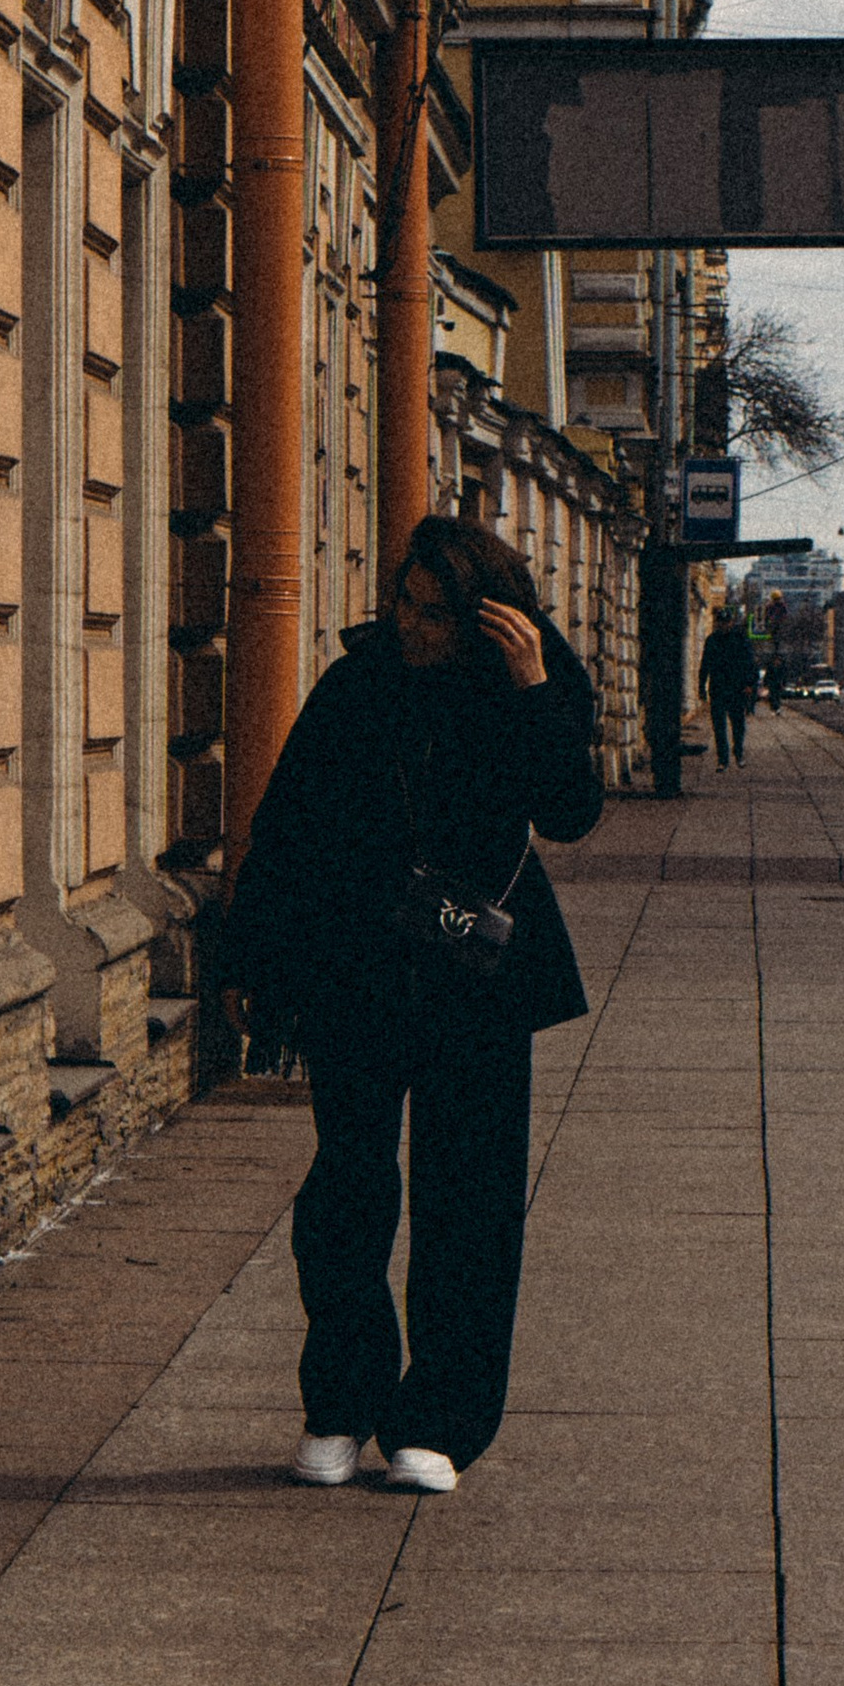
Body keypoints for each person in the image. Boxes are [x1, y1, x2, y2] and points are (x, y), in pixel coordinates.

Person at [219, 516, 603, 1496]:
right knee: (346, 1191)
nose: (414, 628)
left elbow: (568, 811)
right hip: (356, 967)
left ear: (486, 620)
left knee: (469, 1198)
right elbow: (287, 817)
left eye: (436, 614)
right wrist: (249, 953)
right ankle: (339, 1405)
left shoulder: (521, 694)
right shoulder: (357, 685)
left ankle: (437, 1418)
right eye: (406, 605)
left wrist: (532, 691)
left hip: (477, 978)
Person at [699, 604, 756, 766]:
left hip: (737, 688)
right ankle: (723, 759)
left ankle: (738, 753)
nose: (723, 625)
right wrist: (701, 686)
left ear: (731, 622)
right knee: (719, 726)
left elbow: (750, 663)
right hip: (717, 688)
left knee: (738, 724)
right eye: (720, 622)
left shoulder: (740, 638)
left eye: (726, 622)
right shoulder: (712, 640)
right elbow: (705, 664)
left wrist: (750, 684)